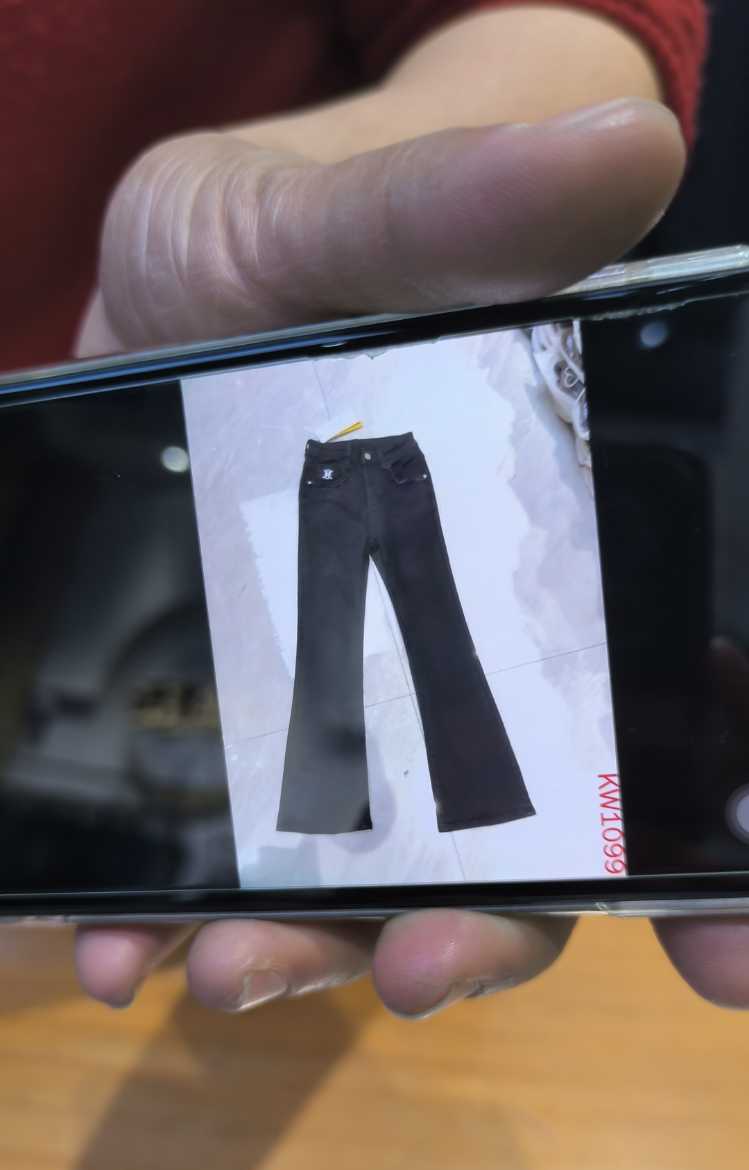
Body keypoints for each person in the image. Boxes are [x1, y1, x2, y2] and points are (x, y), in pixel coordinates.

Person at [7, 1, 740, 1018]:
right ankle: (419, 807)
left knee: (356, 663)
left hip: (206, 410)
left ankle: (409, 809)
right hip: (102, 438)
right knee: (370, 660)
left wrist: (434, 197)